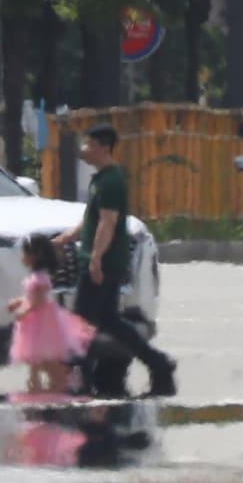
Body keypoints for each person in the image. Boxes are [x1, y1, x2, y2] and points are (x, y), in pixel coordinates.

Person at [54, 124, 177, 397]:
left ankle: (80, 379)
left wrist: (96, 259)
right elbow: (91, 220)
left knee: (81, 320)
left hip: (105, 262)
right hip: (103, 260)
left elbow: (107, 224)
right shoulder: (100, 179)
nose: (83, 150)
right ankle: (159, 363)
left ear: (103, 148)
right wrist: (65, 238)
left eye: (88, 145)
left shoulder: (111, 182)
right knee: (108, 320)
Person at [8, 234, 97, 394]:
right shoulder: (35, 277)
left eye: (24, 253)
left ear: (34, 256)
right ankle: (37, 386)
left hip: (41, 323)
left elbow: (39, 301)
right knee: (35, 360)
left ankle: (64, 381)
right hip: (35, 322)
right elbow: (32, 297)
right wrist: (19, 301)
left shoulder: (40, 278)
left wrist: (24, 311)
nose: (21, 257)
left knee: (43, 358)